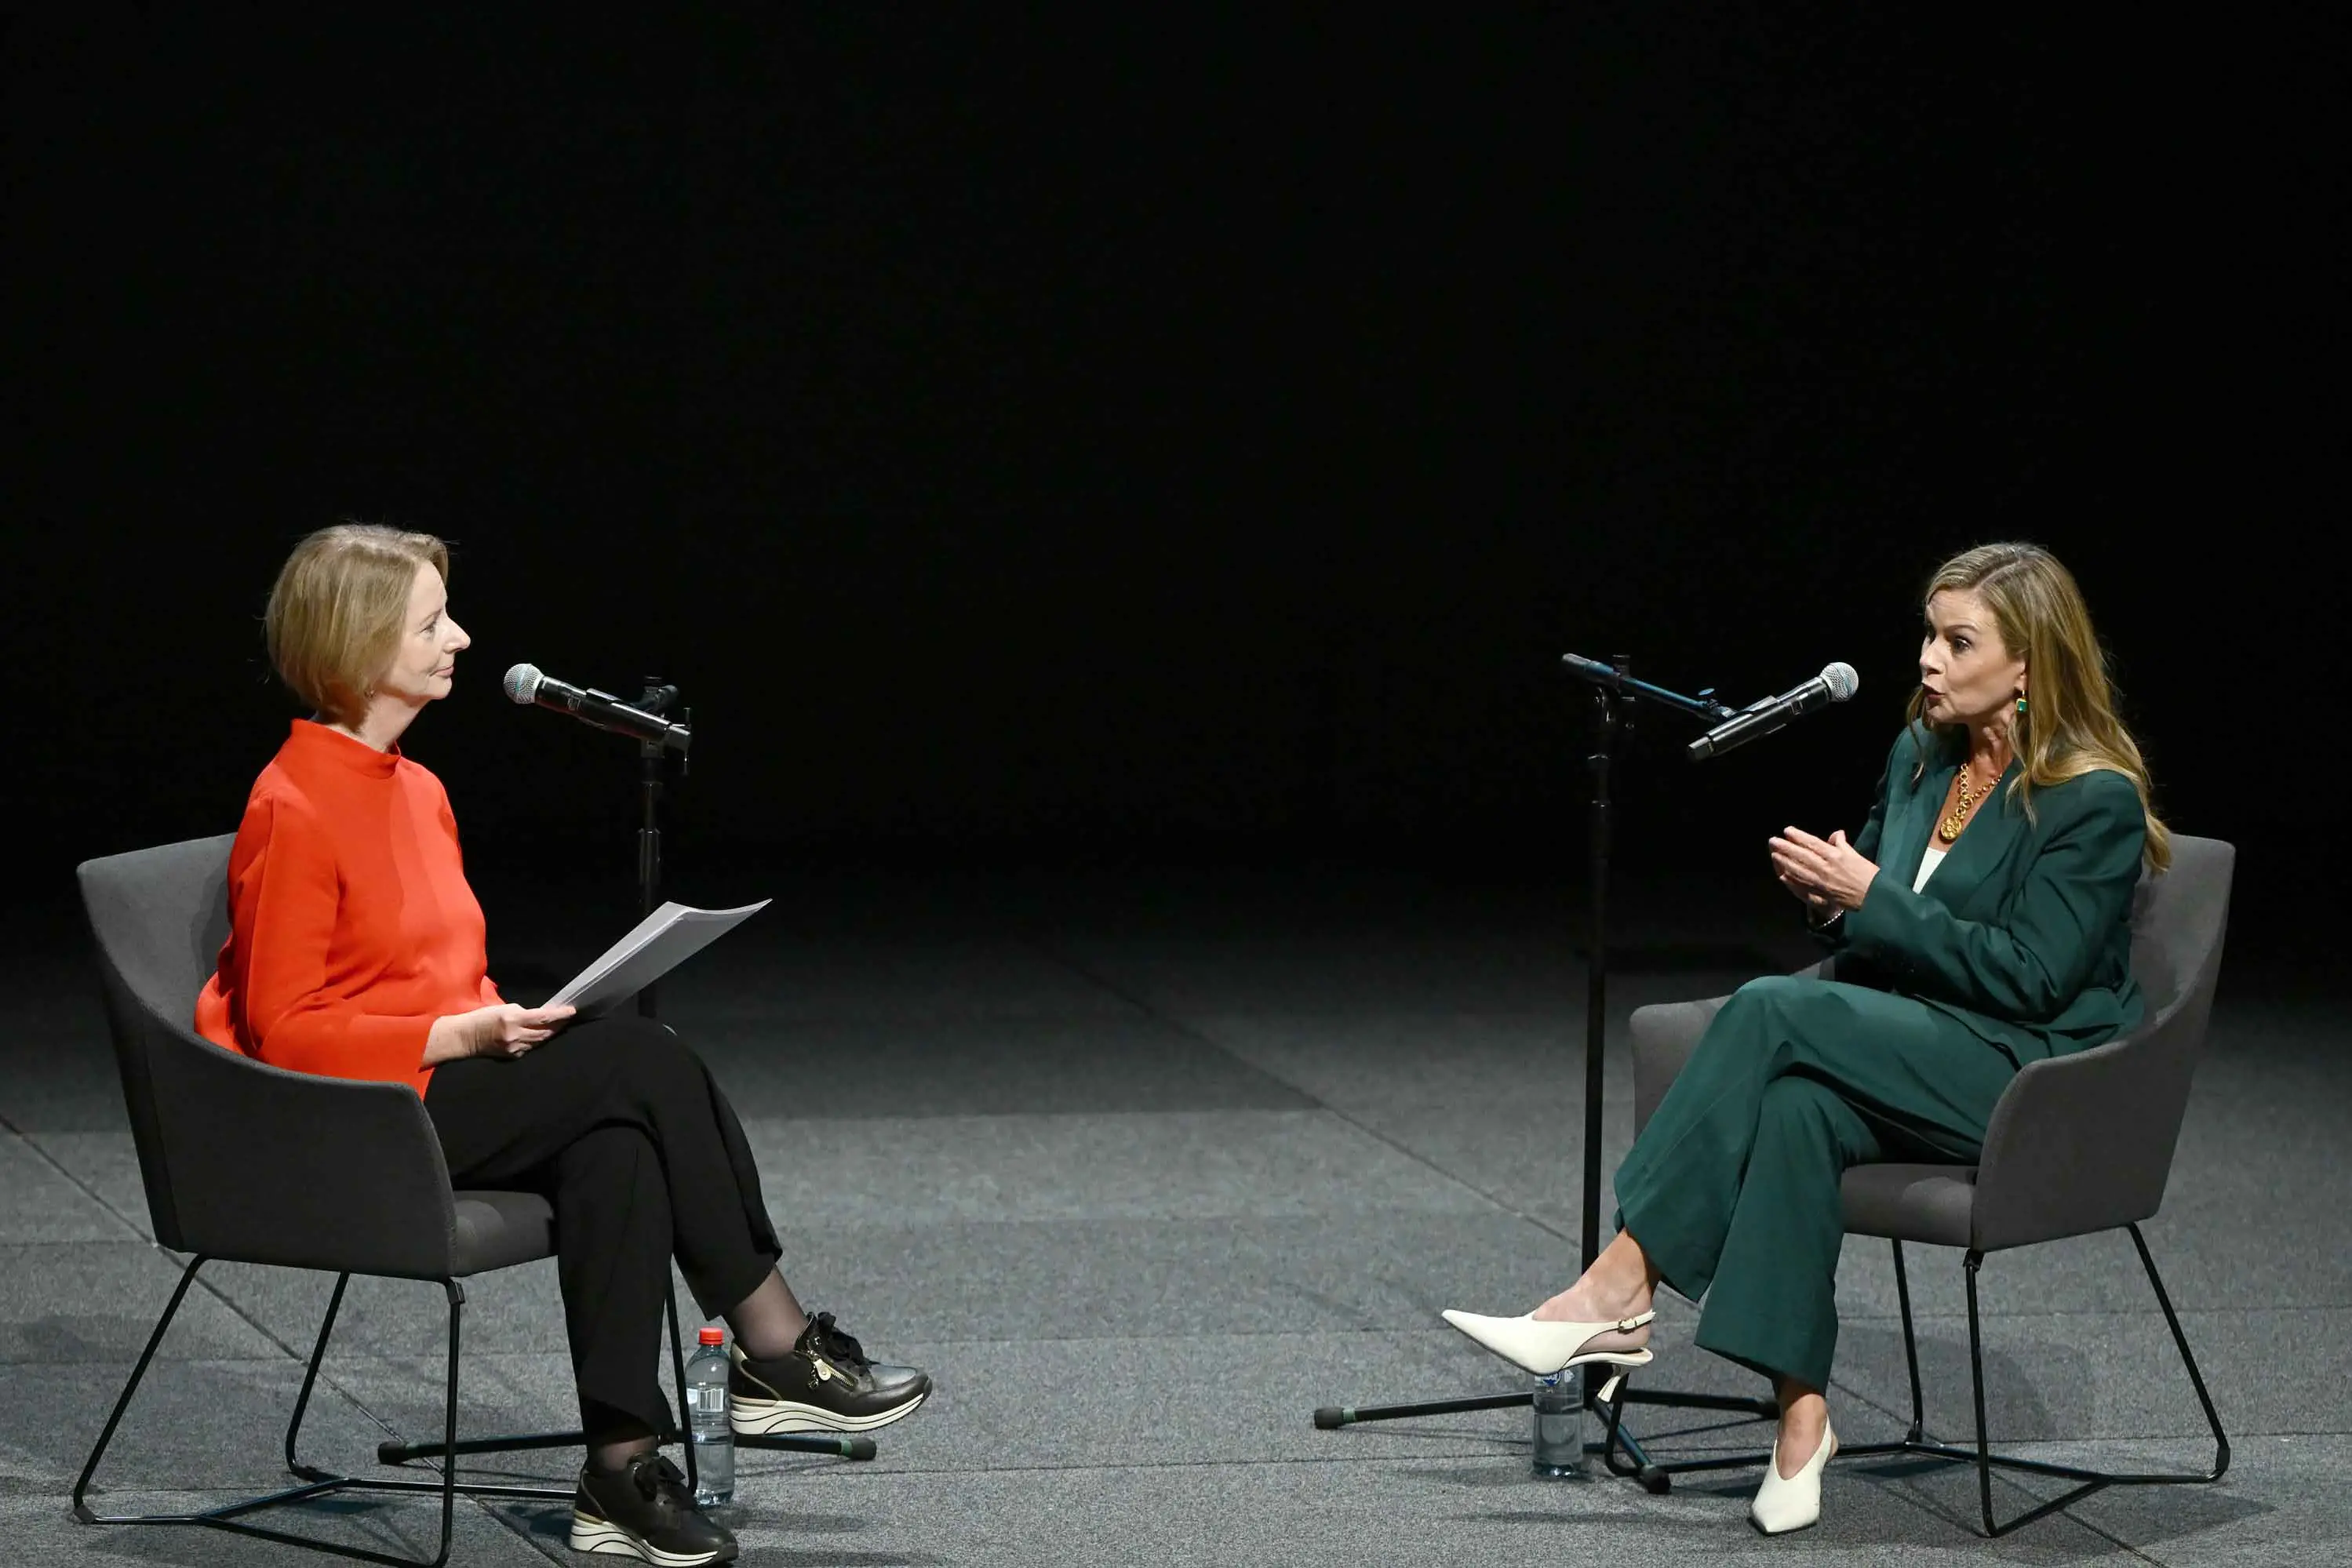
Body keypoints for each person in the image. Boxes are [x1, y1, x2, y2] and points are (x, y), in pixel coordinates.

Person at [197, 523, 930, 1568]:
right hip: (355, 1117)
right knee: (641, 1058)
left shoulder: (418, 788)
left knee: (617, 1144)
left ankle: (621, 1470)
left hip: (439, 1077)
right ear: (357, 645)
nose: (459, 636)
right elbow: (288, 1030)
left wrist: (507, 1020)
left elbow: (431, 971)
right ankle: (774, 1343)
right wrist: (465, 1030)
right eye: (430, 623)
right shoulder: (295, 802)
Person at [1441, 542, 2167, 1535]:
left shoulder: (2092, 798)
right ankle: (1802, 1416)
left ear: (2030, 664)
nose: (1928, 659)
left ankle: (1616, 1289)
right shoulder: (1922, 754)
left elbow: (2033, 978)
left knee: (1769, 1008)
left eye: (1959, 642)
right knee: (1797, 1108)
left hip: (2019, 1072)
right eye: (1929, 635)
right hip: (1915, 1037)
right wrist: (1834, 899)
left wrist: (1874, 900)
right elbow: (1877, 916)